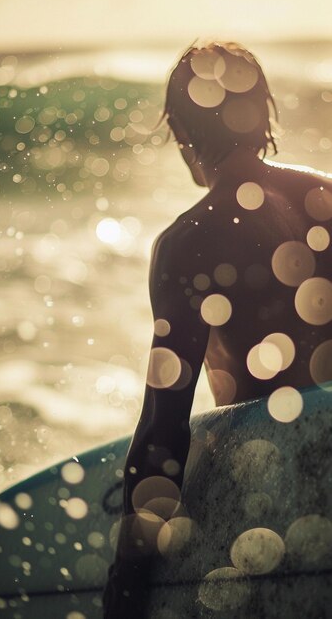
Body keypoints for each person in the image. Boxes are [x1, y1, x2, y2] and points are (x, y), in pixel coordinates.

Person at [103, 40, 332, 618]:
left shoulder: (187, 242)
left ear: (183, 132)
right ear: (264, 114)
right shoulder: (326, 193)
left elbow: (165, 425)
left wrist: (128, 574)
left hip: (276, 478)